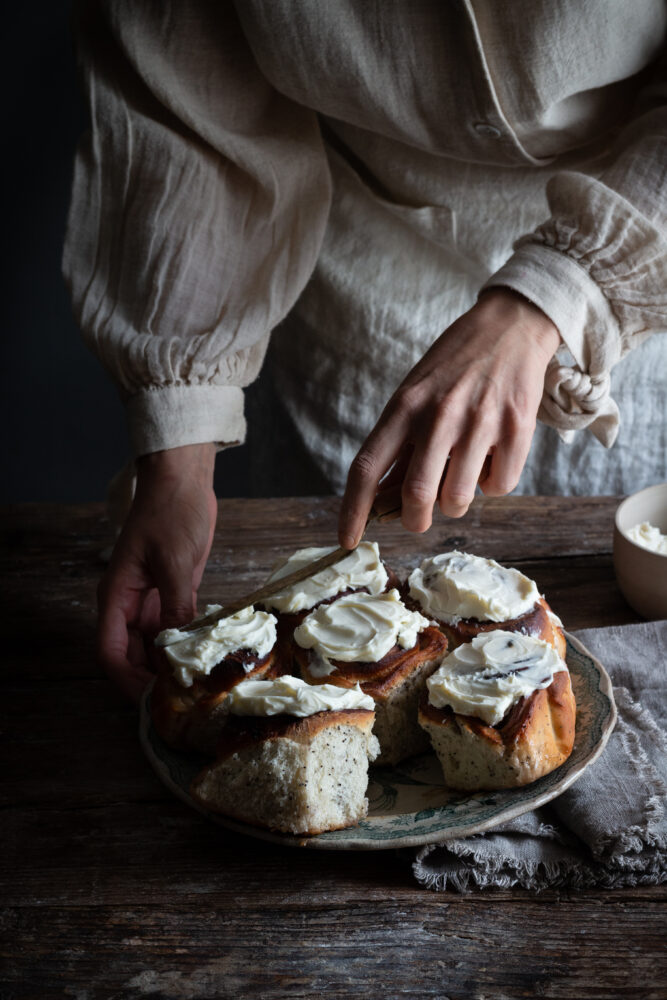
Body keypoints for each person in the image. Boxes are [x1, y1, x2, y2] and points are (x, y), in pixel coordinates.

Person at [63, 1, 667, 702]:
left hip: (637, 266)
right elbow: (183, 118)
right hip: (350, 294)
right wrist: (178, 453)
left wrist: (553, 297)